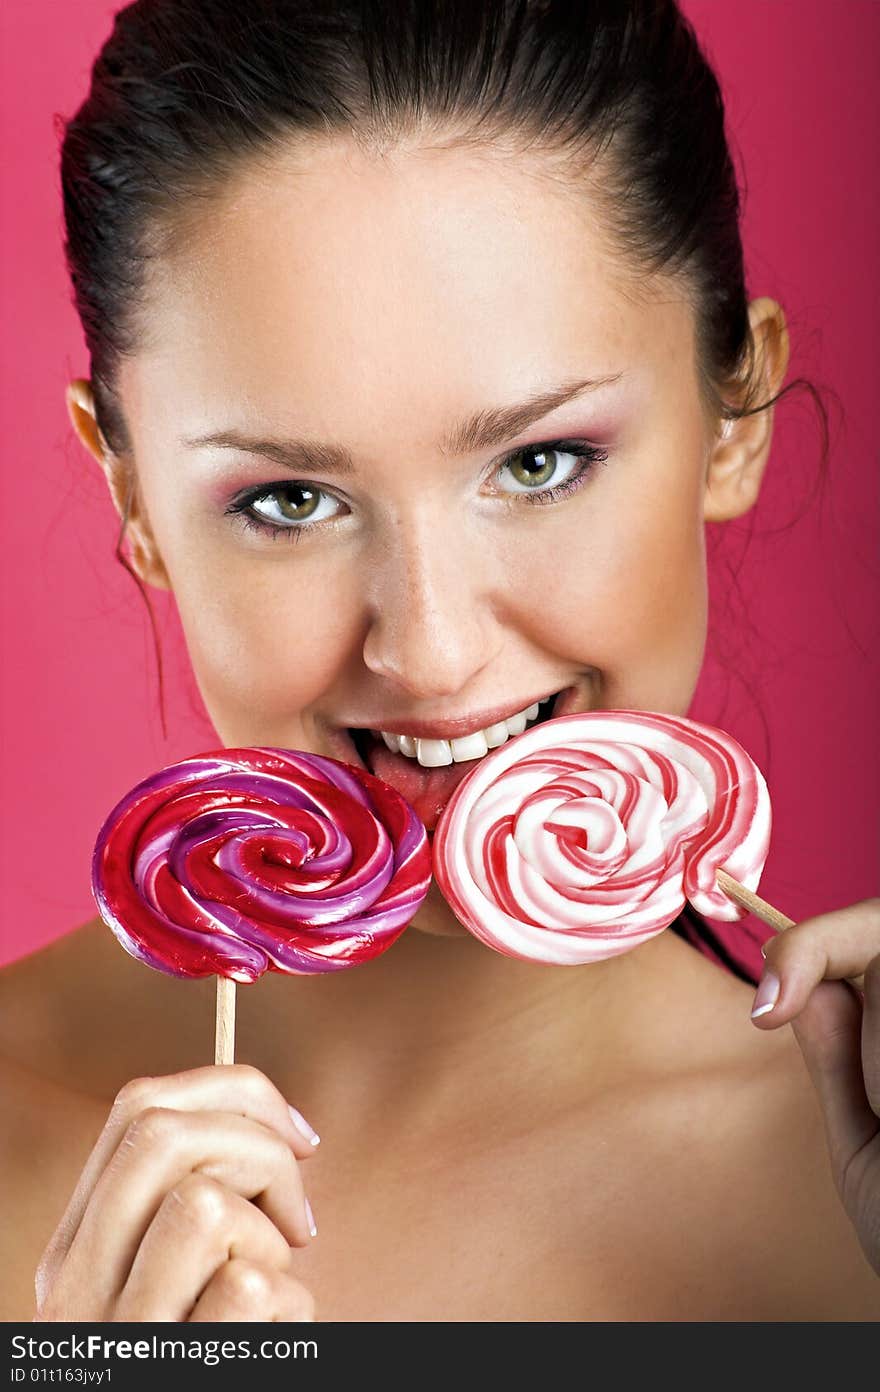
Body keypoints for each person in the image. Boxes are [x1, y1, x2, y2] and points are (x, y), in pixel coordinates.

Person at [1, 0, 877, 1322]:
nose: (430, 651)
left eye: (539, 463)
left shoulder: (844, 1193)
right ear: (133, 502)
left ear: (730, 415)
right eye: (291, 497)